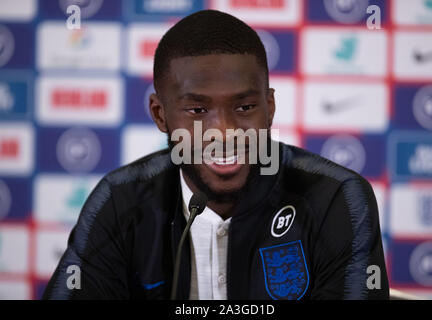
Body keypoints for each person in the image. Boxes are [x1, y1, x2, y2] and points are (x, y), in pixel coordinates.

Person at [43, 10, 389, 300]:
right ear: (160, 115)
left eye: (244, 106)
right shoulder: (119, 200)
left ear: (269, 108)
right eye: (196, 110)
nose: (223, 132)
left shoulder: (336, 197)